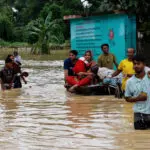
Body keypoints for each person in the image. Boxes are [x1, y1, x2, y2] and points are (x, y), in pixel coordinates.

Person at [125, 55, 150, 130]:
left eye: (138, 64)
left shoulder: (149, 76)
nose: (136, 66)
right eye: (134, 64)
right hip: (138, 114)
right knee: (139, 137)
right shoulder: (129, 81)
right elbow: (127, 98)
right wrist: (138, 98)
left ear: (144, 65)